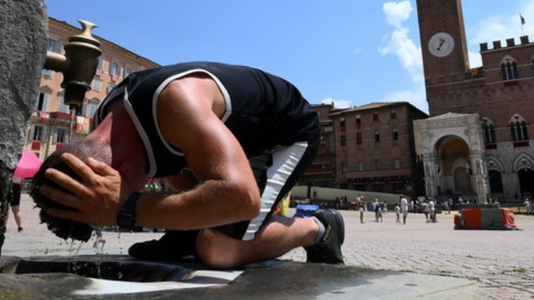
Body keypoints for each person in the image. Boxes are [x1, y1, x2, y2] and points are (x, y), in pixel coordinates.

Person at [30, 62, 344, 269]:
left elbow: (242, 198)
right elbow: (178, 167)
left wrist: (126, 208)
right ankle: (189, 235)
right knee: (203, 224)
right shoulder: (110, 125)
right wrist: (189, 220)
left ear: (121, 170)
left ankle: (319, 228)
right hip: (229, 141)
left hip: (282, 132)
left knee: (218, 249)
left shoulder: (174, 103)